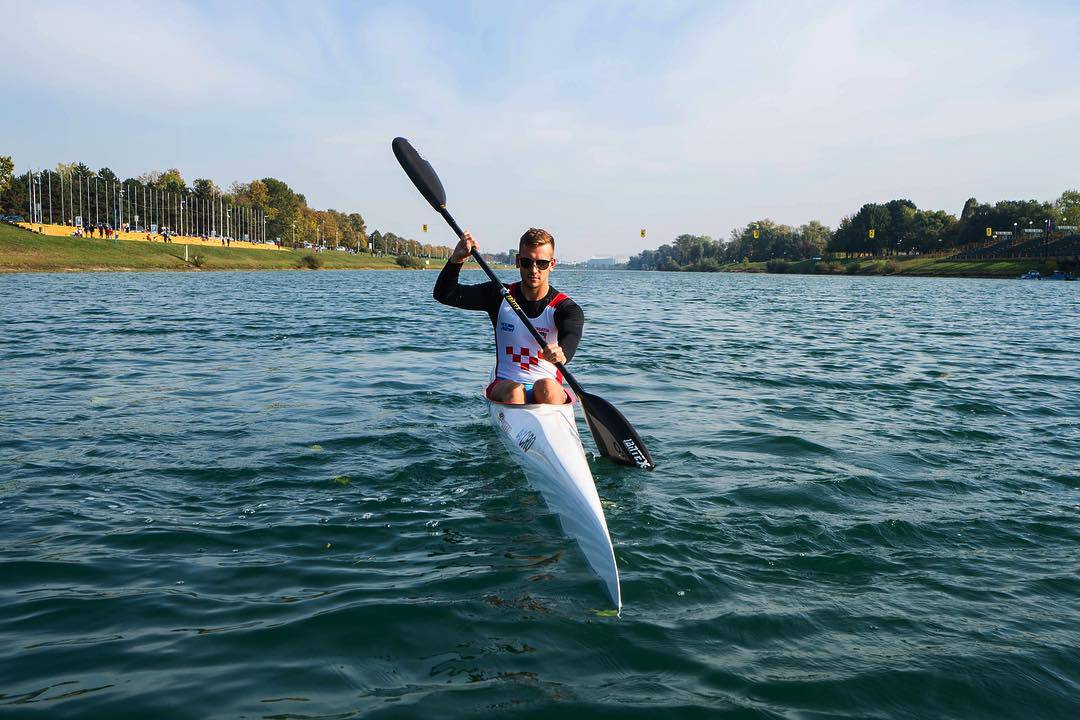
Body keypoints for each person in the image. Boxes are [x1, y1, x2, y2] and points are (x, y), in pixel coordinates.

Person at [434, 227, 583, 405]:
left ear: (552, 265)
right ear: (518, 261)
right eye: (527, 262)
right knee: (514, 392)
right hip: (506, 385)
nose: (534, 270)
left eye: (541, 263)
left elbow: (571, 335)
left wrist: (562, 352)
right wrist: (457, 259)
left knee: (547, 389)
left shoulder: (566, 308)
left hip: (549, 388)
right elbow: (445, 294)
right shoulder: (499, 295)